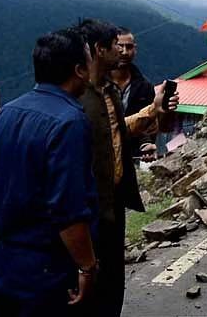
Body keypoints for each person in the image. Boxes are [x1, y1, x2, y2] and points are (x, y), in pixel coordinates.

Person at [0, 30, 98, 317]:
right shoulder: (70, 122)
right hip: (49, 267)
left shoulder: (7, 113)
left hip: (7, 262)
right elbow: (68, 210)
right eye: (89, 61)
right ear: (79, 71)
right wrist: (87, 266)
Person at [75, 19, 177, 317]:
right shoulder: (79, 95)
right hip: (89, 199)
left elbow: (118, 130)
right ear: (99, 50)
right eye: (115, 46)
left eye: (127, 46)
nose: (121, 52)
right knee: (90, 271)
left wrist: (153, 113)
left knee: (112, 273)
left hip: (114, 195)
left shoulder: (113, 91)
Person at [107, 28, 160, 160]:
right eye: (120, 46)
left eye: (129, 47)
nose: (124, 52)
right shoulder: (98, 84)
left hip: (130, 159)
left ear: (135, 49)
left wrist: (146, 144)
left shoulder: (145, 87)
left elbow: (148, 125)